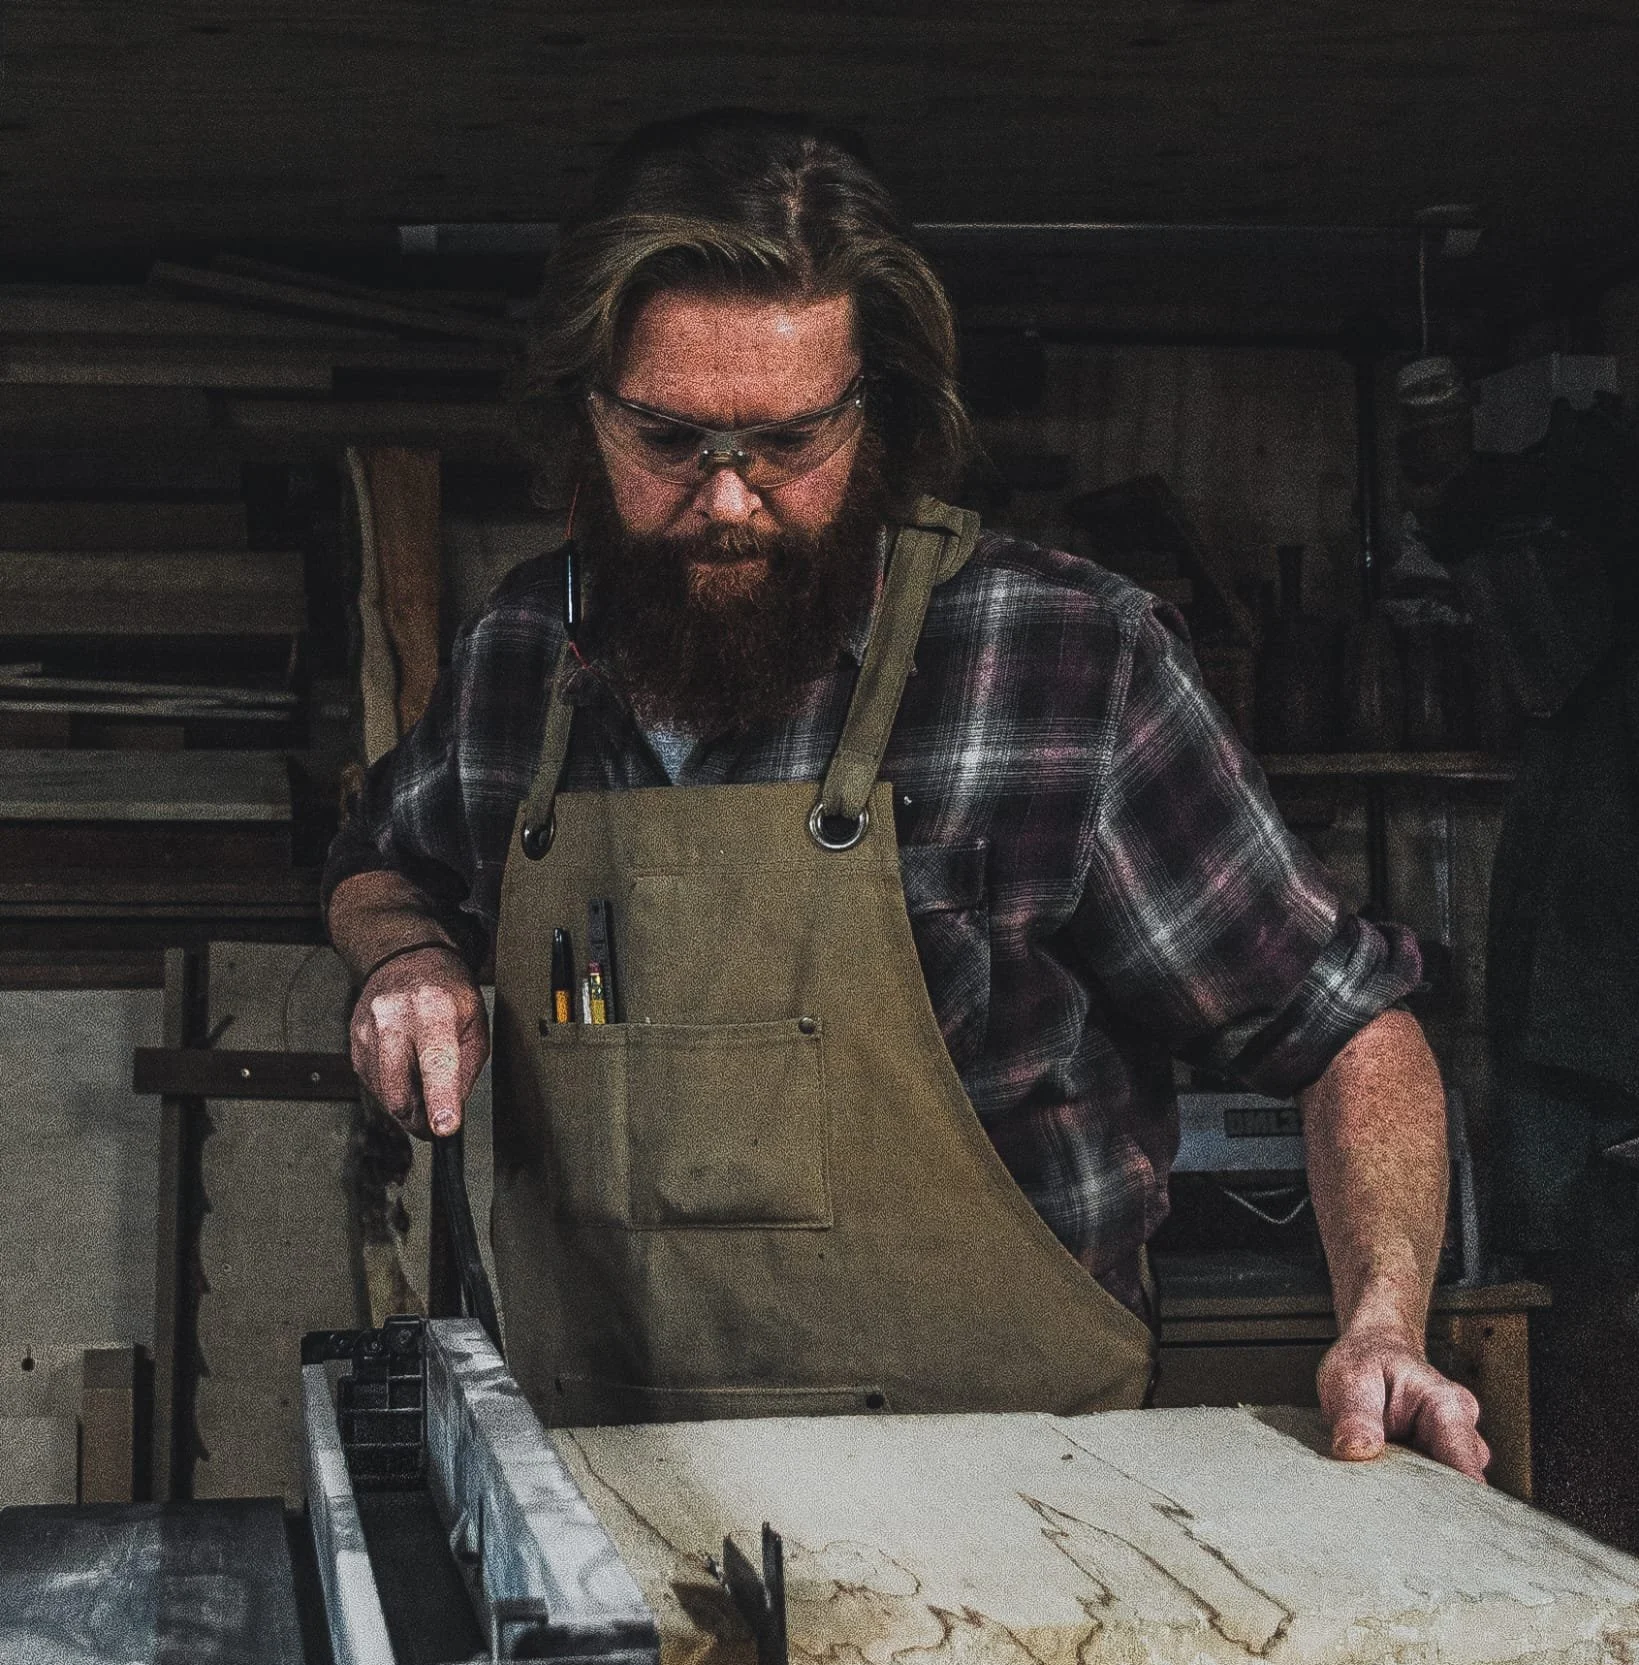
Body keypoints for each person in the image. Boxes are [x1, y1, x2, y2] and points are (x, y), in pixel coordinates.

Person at [325, 109, 1487, 1475]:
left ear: (876, 418)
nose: (729, 500)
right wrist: (402, 954)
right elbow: (377, 862)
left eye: (786, 444)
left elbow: (1347, 1026)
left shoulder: (1062, 660)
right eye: (668, 438)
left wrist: (1382, 1324)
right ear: (586, 410)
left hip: (1020, 1506)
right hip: (599, 1497)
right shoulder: (525, 651)